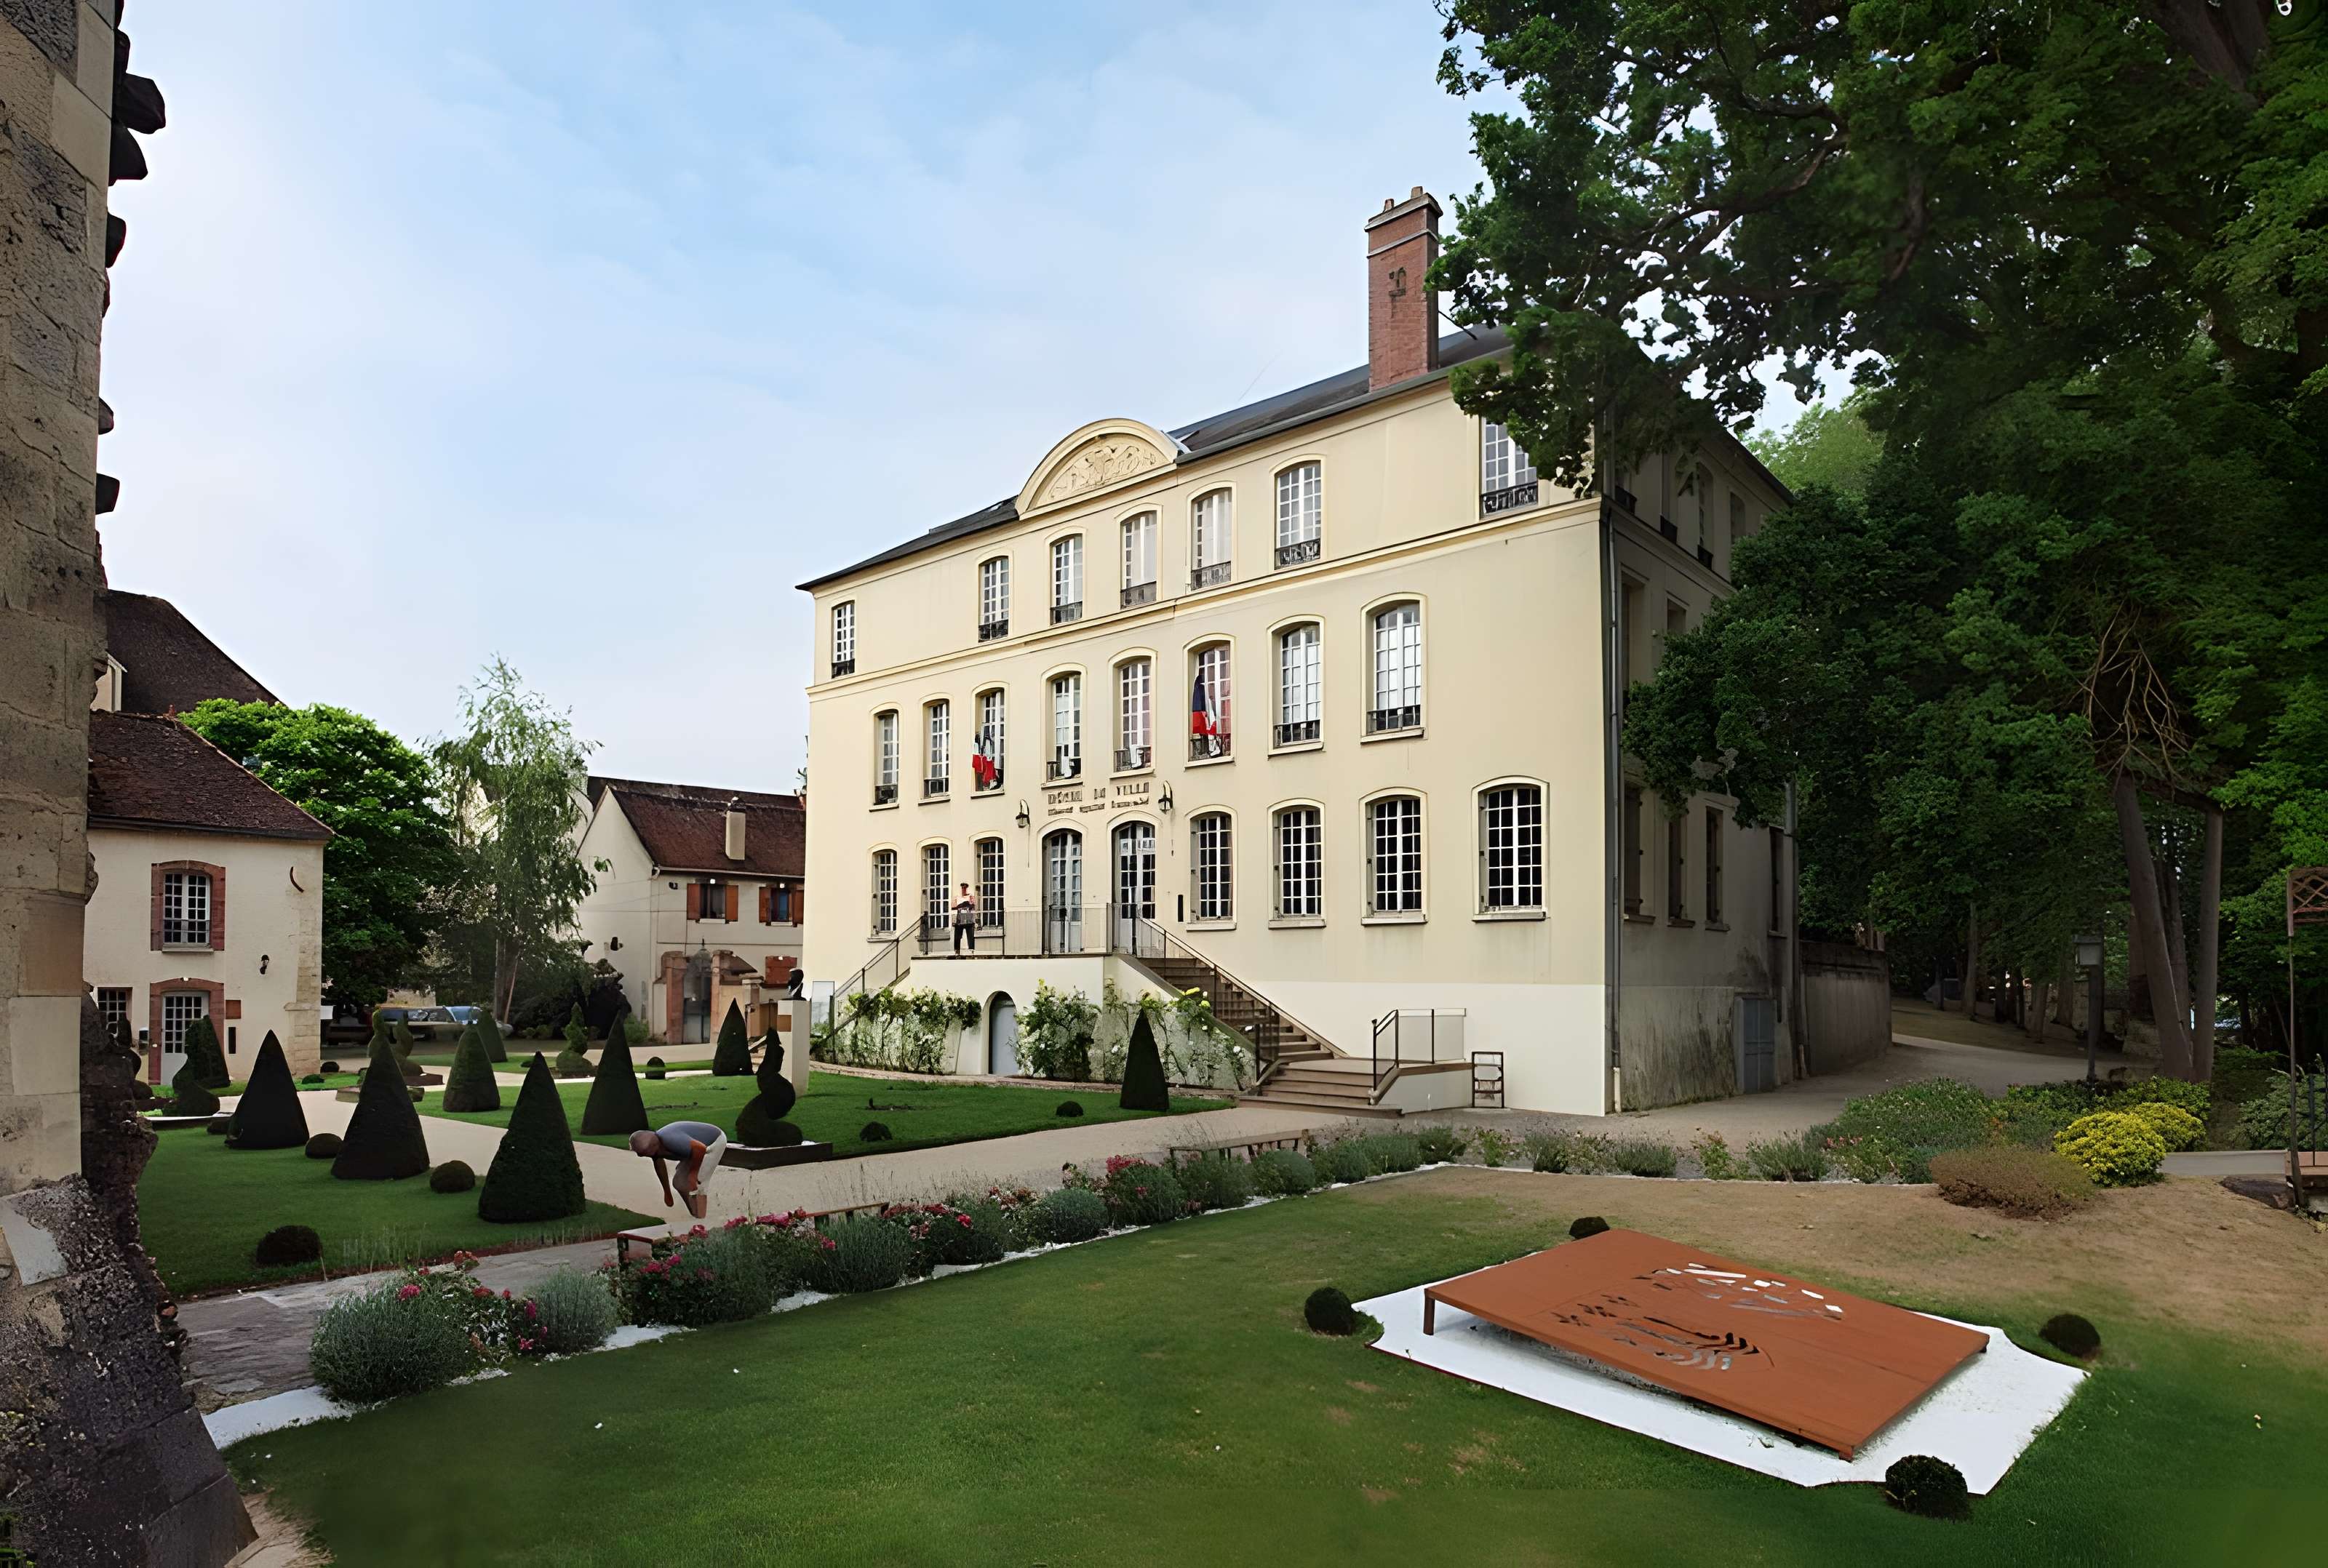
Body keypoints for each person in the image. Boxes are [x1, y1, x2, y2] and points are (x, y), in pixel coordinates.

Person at [628, 1119, 728, 1220]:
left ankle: (701, 1219)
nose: (640, 1156)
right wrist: (667, 1193)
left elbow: (700, 1148)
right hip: (693, 1150)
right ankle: (695, 1215)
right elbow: (660, 1167)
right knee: (679, 1183)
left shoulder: (672, 1141)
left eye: (643, 1153)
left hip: (713, 1143)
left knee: (698, 1183)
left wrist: (693, 1174)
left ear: (654, 1146)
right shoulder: (655, 1146)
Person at [952, 881, 976, 953]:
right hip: (960, 919)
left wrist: (963, 905)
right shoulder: (957, 897)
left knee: (971, 936)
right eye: (963, 888)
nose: (964, 889)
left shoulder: (970, 896)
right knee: (957, 936)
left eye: (965, 888)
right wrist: (963, 905)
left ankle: (971, 950)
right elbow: (953, 907)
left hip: (969, 918)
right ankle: (957, 951)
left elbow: (973, 905)